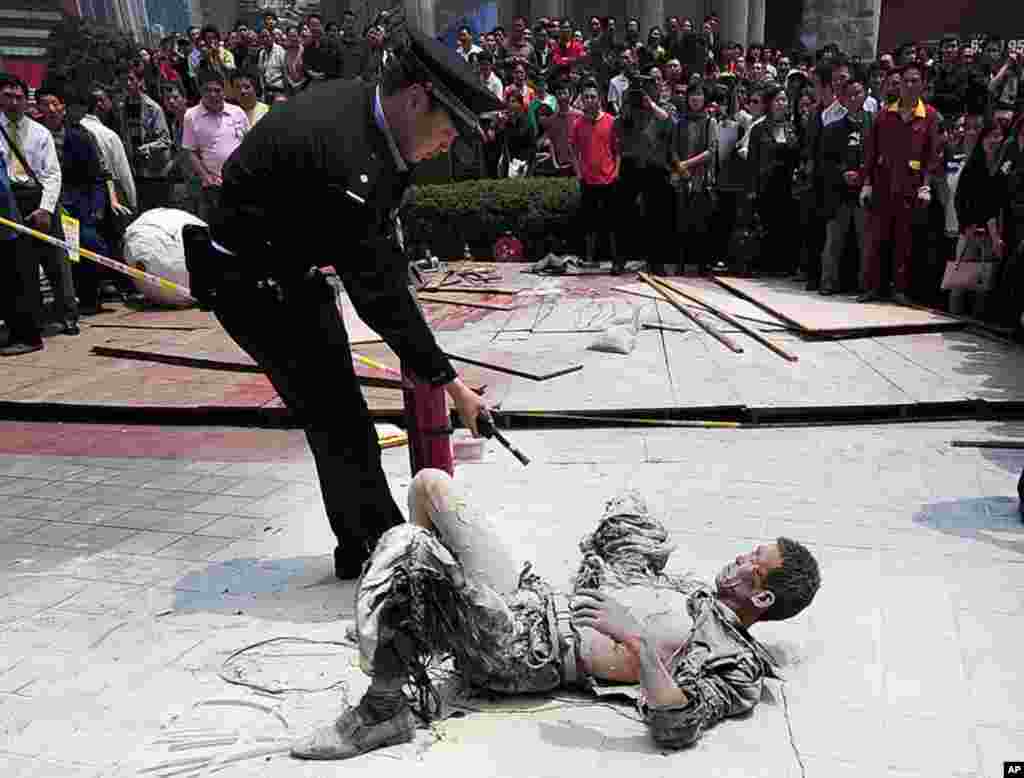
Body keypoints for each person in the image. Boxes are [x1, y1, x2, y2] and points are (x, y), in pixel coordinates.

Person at [191, 27, 502, 581]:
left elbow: (380, 254)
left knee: (340, 413)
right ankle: (387, 559)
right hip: (249, 282)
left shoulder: (366, 113)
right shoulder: (348, 165)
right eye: (448, 129)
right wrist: (453, 387)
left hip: (290, 269)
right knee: (336, 418)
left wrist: (448, 383)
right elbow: (380, 297)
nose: (448, 145)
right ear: (415, 100)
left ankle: (365, 546)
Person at [289, 474, 821, 761]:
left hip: (524, 648)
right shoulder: (690, 591)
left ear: (765, 598)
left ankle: (383, 710)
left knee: (409, 552)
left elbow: (676, 726)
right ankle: (406, 634)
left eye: (756, 563)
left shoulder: (734, 663)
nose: (742, 558)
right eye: (751, 550)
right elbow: (626, 555)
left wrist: (638, 642)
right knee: (430, 485)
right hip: (531, 597)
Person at [859, 61, 941, 303]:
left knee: (905, 242)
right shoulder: (885, 114)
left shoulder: (930, 116)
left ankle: (900, 290)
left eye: (915, 80)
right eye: (905, 80)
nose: (909, 85)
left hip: (911, 189)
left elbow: (933, 155)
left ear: (923, 85)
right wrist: (867, 183)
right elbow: (871, 153)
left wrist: (926, 186)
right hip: (884, 186)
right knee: (878, 239)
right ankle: (874, 288)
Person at [0, 74, 67, 355]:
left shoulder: (40, 133)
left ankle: (54, 321)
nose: (14, 102)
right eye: (8, 96)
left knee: (47, 265)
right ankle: (22, 327)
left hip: (34, 202)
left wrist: (45, 208)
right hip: (6, 201)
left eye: (19, 97)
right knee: (13, 270)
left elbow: (52, 174)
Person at [615, 76, 673, 273]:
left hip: (655, 168)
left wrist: (651, 104)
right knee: (623, 215)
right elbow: (618, 127)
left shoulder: (662, 109)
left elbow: (669, 124)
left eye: (649, 89)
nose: (643, 94)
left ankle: (656, 261)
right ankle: (620, 259)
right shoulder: (628, 105)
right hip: (631, 165)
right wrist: (628, 103)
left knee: (656, 216)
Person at [952, 118, 1009, 318]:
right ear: (983, 138)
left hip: (990, 231)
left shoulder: (1001, 165)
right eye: (991, 136)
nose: (995, 140)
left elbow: (996, 202)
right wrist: (966, 225)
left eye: (999, 136)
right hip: (970, 230)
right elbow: (960, 199)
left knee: (983, 283)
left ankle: (977, 320)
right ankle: (955, 316)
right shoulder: (973, 165)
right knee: (961, 279)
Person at [182, 70, 249, 224]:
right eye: (207, 90)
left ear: (224, 91)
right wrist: (207, 178)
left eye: (217, 90)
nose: (213, 95)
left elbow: (248, 145)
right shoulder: (191, 116)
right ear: (200, 91)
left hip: (239, 182)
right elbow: (191, 151)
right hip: (214, 188)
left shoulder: (237, 112)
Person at [570, 78, 621, 272]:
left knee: (612, 224)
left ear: (599, 98)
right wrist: (578, 173)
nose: (589, 100)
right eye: (586, 97)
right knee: (589, 223)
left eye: (592, 96)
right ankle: (590, 259)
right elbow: (573, 151)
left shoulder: (611, 121)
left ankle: (616, 261)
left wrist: (616, 172)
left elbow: (618, 151)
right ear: (582, 100)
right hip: (588, 181)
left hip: (609, 180)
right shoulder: (578, 124)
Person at [748, 84, 800, 274]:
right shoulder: (759, 129)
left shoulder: (791, 128)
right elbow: (752, 161)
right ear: (769, 103)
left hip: (787, 185)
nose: (781, 103)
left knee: (785, 227)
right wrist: (751, 189)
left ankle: (784, 265)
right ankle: (765, 264)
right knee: (766, 226)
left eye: (784, 100)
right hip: (766, 186)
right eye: (778, 100)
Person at [671, 82, 719, 274]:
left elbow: (711, 151)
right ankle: (680, 264)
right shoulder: (680, 122)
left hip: (701, 178)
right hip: (682, 178)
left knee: (701, 222)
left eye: (699, 95)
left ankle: (701, 265)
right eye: (692, 95)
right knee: (681, 222)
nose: (695, 99)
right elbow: (672, 149)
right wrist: (680, 167)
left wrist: (687, 164)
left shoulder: (710, 121)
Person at [121, 67, 172, 213]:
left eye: (132, 79)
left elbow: (166, 140)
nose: (128, 83)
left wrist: (149, 147)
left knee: (157, 211)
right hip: (134, 170)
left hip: (154, 171)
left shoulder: (153, 108)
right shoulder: (122, 107)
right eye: (126, 80)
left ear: (140, 82)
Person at [258, 28, 287, 101]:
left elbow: (285, 72)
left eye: (267, 36)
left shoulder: (280, 50)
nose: (265, 39)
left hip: (279, 90)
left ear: (272, 37)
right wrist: (263, 90)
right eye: (262, 37)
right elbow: (261, 73)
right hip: (267, 91)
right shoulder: (262, 53)